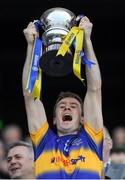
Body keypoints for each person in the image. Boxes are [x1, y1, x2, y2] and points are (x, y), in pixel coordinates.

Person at [23, 14, 104, 179]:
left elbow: (94, 89)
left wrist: (87, 40)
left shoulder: (92, 138)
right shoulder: (43, 141)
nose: (67, 107)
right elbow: (29, 94)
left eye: (73, 106)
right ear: (54, 119)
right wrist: (32, 46)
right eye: (62, 106)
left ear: (83, 119)